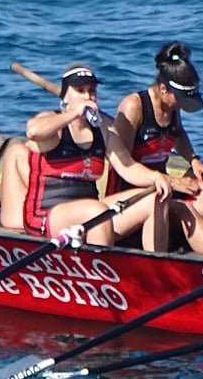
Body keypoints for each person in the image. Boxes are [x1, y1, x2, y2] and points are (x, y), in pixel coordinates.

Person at [23, 64, 173, 247]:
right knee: (96, 211)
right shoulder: (54, 123)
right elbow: (33, 131)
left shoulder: (103, 130)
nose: (87, 96)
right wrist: (73, 114)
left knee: (154, 199)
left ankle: (153, 267)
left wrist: (156, 177)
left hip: (92, 213)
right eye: (80, 90)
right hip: (46, 215)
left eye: (92, 91)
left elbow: (127, 167)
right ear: (65, 96)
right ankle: (99, 267)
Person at [109, 41, 203, 252]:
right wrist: (172, 182)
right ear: (163, 88)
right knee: (185, 210)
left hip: (167, 185)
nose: (182, 105)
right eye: (181, 99)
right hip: (138, 193)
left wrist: (193, 160)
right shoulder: (134, 106)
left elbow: (178, 134)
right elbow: (124, 166)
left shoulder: (172, 104)